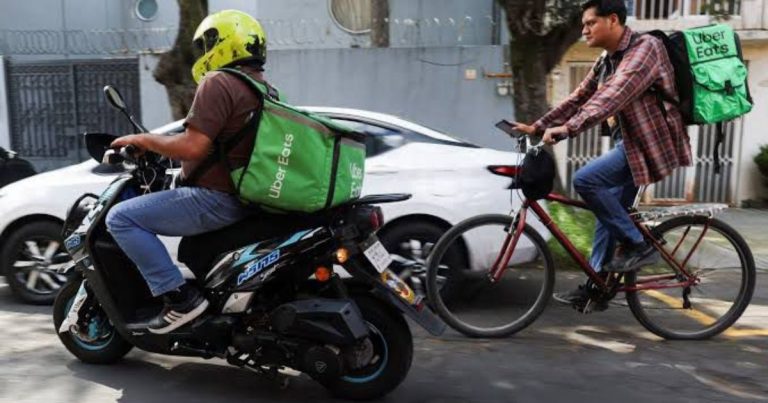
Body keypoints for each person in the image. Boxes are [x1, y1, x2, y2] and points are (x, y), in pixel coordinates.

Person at [512, 0, 692, 306]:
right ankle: (597, 288)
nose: (584, 30)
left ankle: (639, 246)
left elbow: (611, 97)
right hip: (629, 144)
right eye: (583, 25)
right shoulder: (607, 59)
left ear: (613, 20)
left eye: (590, 23)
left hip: (650, 145)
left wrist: (567, 129)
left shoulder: (645, 49)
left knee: (586, 180)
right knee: (608, 215)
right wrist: (538, 126)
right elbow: (579, 98)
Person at [106, 9, 269, 334]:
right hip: (245, 198)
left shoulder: (220, 82)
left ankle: (180, 300)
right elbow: (222, 145)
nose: (204, 52)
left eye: (208, 43)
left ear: (225, 42)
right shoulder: (263, 88)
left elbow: (193, 146)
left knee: (121, 218)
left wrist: (143, 140)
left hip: (215, 199)